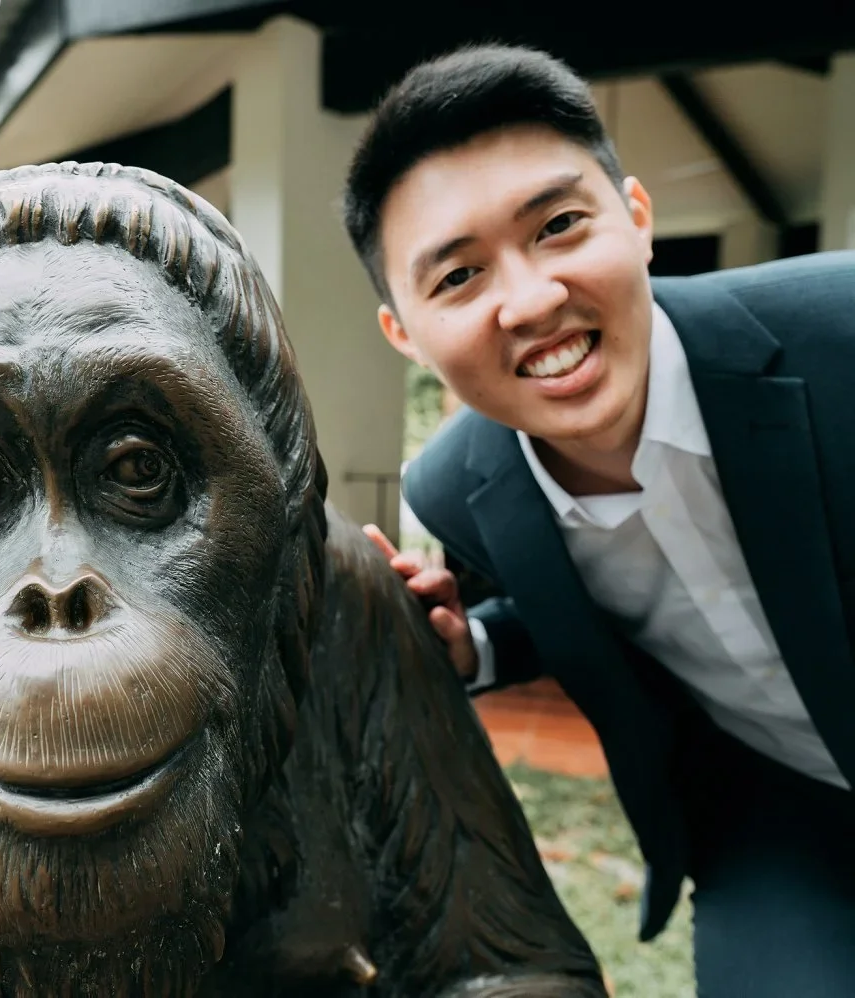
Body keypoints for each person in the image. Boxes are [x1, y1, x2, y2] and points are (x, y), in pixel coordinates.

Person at [343, 45, 855, 996]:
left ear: (638, 216)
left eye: (561, 225)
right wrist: (469, 648)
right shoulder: (453, 492)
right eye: (458, 277)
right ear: (404, 333)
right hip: (777, 824)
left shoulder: (842, 332)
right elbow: (572, 601)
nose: (532, 302)